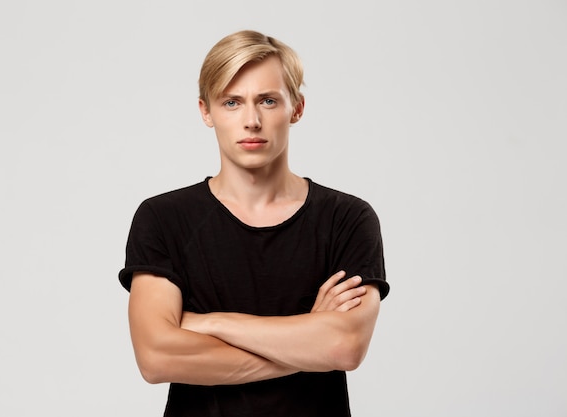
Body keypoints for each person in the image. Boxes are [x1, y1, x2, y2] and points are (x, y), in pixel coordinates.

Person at [118, 29, 389, 417]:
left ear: (296, 108)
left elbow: (344, 347)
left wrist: (210, 323)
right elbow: (157, 356)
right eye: (232, 102)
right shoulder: (164, 218)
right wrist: (307, 340)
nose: (251, 120)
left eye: (268, 100)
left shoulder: (348, 219)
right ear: (205, 111)